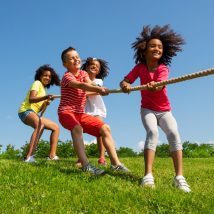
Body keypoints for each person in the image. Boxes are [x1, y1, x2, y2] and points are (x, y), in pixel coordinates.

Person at [120, 25, 191, 192]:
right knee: (152, 132)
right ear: (144, 50)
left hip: (164, 110)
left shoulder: (163, 68)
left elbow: (160, 86)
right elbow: (126, 80)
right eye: (153, 46)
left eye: (159, 47)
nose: (156, 48)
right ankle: (148, 176)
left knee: (173, 133)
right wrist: (124, 84)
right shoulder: (140, 67)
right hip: (148, 109)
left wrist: (155, 86)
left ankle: (179, 177)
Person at [58, 46, 129, 175]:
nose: (76, 59)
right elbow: (80, 85)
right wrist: (98, 90)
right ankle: (86, 166)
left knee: (105, 128)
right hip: (66, 112)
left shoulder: (84, 74)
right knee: (77, 129)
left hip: (80, 114)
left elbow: (89, 83)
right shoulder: (67, 77)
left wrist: (98, 88)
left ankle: (116, 164)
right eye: (71, 58)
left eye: (77, 57)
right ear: (65, 64)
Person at [18, 65, 60, 162]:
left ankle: (52, 155)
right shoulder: (37, 83)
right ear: (39, 76)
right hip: (25, 111)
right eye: (45, 75)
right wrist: (45, 98)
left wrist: (46, 103)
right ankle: (29, 157)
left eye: (49, 77)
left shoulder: (44, 91)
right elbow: (31, 99)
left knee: (56, 127)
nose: (47, 78)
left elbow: (39, 109)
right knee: (40, 125)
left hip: (34, 113)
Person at [80, 57, 109, 165]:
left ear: (99, 71)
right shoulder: (81, 81)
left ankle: (102, 157)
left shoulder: (98, 81)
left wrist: (84, 93)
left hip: (96, 110)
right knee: (79, 131)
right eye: (92, 64)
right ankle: (81, 157)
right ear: (86, 67)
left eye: (97, 66)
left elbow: (96, 91)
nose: (94, 66)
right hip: (83, 110)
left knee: (100, 131)